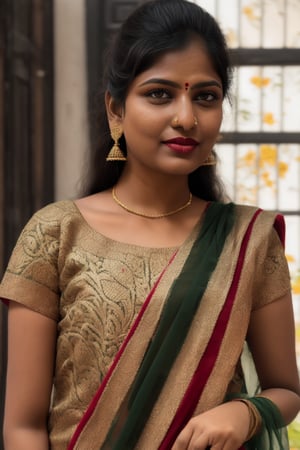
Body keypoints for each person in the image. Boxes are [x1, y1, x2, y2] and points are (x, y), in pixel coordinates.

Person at [1, 0, 299, 449]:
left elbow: (287, 391)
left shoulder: (247, 241)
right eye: (160, 93)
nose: (186, 117)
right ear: (116, 110)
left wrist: (245, 412)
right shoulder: (56, 233)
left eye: (206, 96)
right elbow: (22, 426)